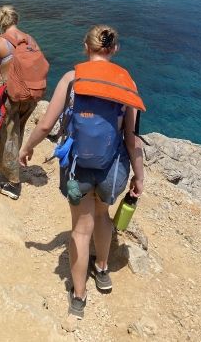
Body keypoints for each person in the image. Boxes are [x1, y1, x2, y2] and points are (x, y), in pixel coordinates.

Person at [19, 25, 145, 318]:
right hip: (110, 168)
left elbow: (46, 125)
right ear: (114, 49)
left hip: (77, 168)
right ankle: (102, 269)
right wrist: (139, 175)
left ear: (85, 47)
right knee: (102, 216)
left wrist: (28, 147)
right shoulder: (127, 83)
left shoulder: (72, 78)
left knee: (79, 229)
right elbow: (131, 138)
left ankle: (78, 296)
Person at [0, 5, 43, 200]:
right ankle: (13, 165)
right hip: (31, 95)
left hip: (11, 96)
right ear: (16, 20)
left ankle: (13, 182)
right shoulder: (30, 39)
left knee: (7, 135)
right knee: (19, 131)